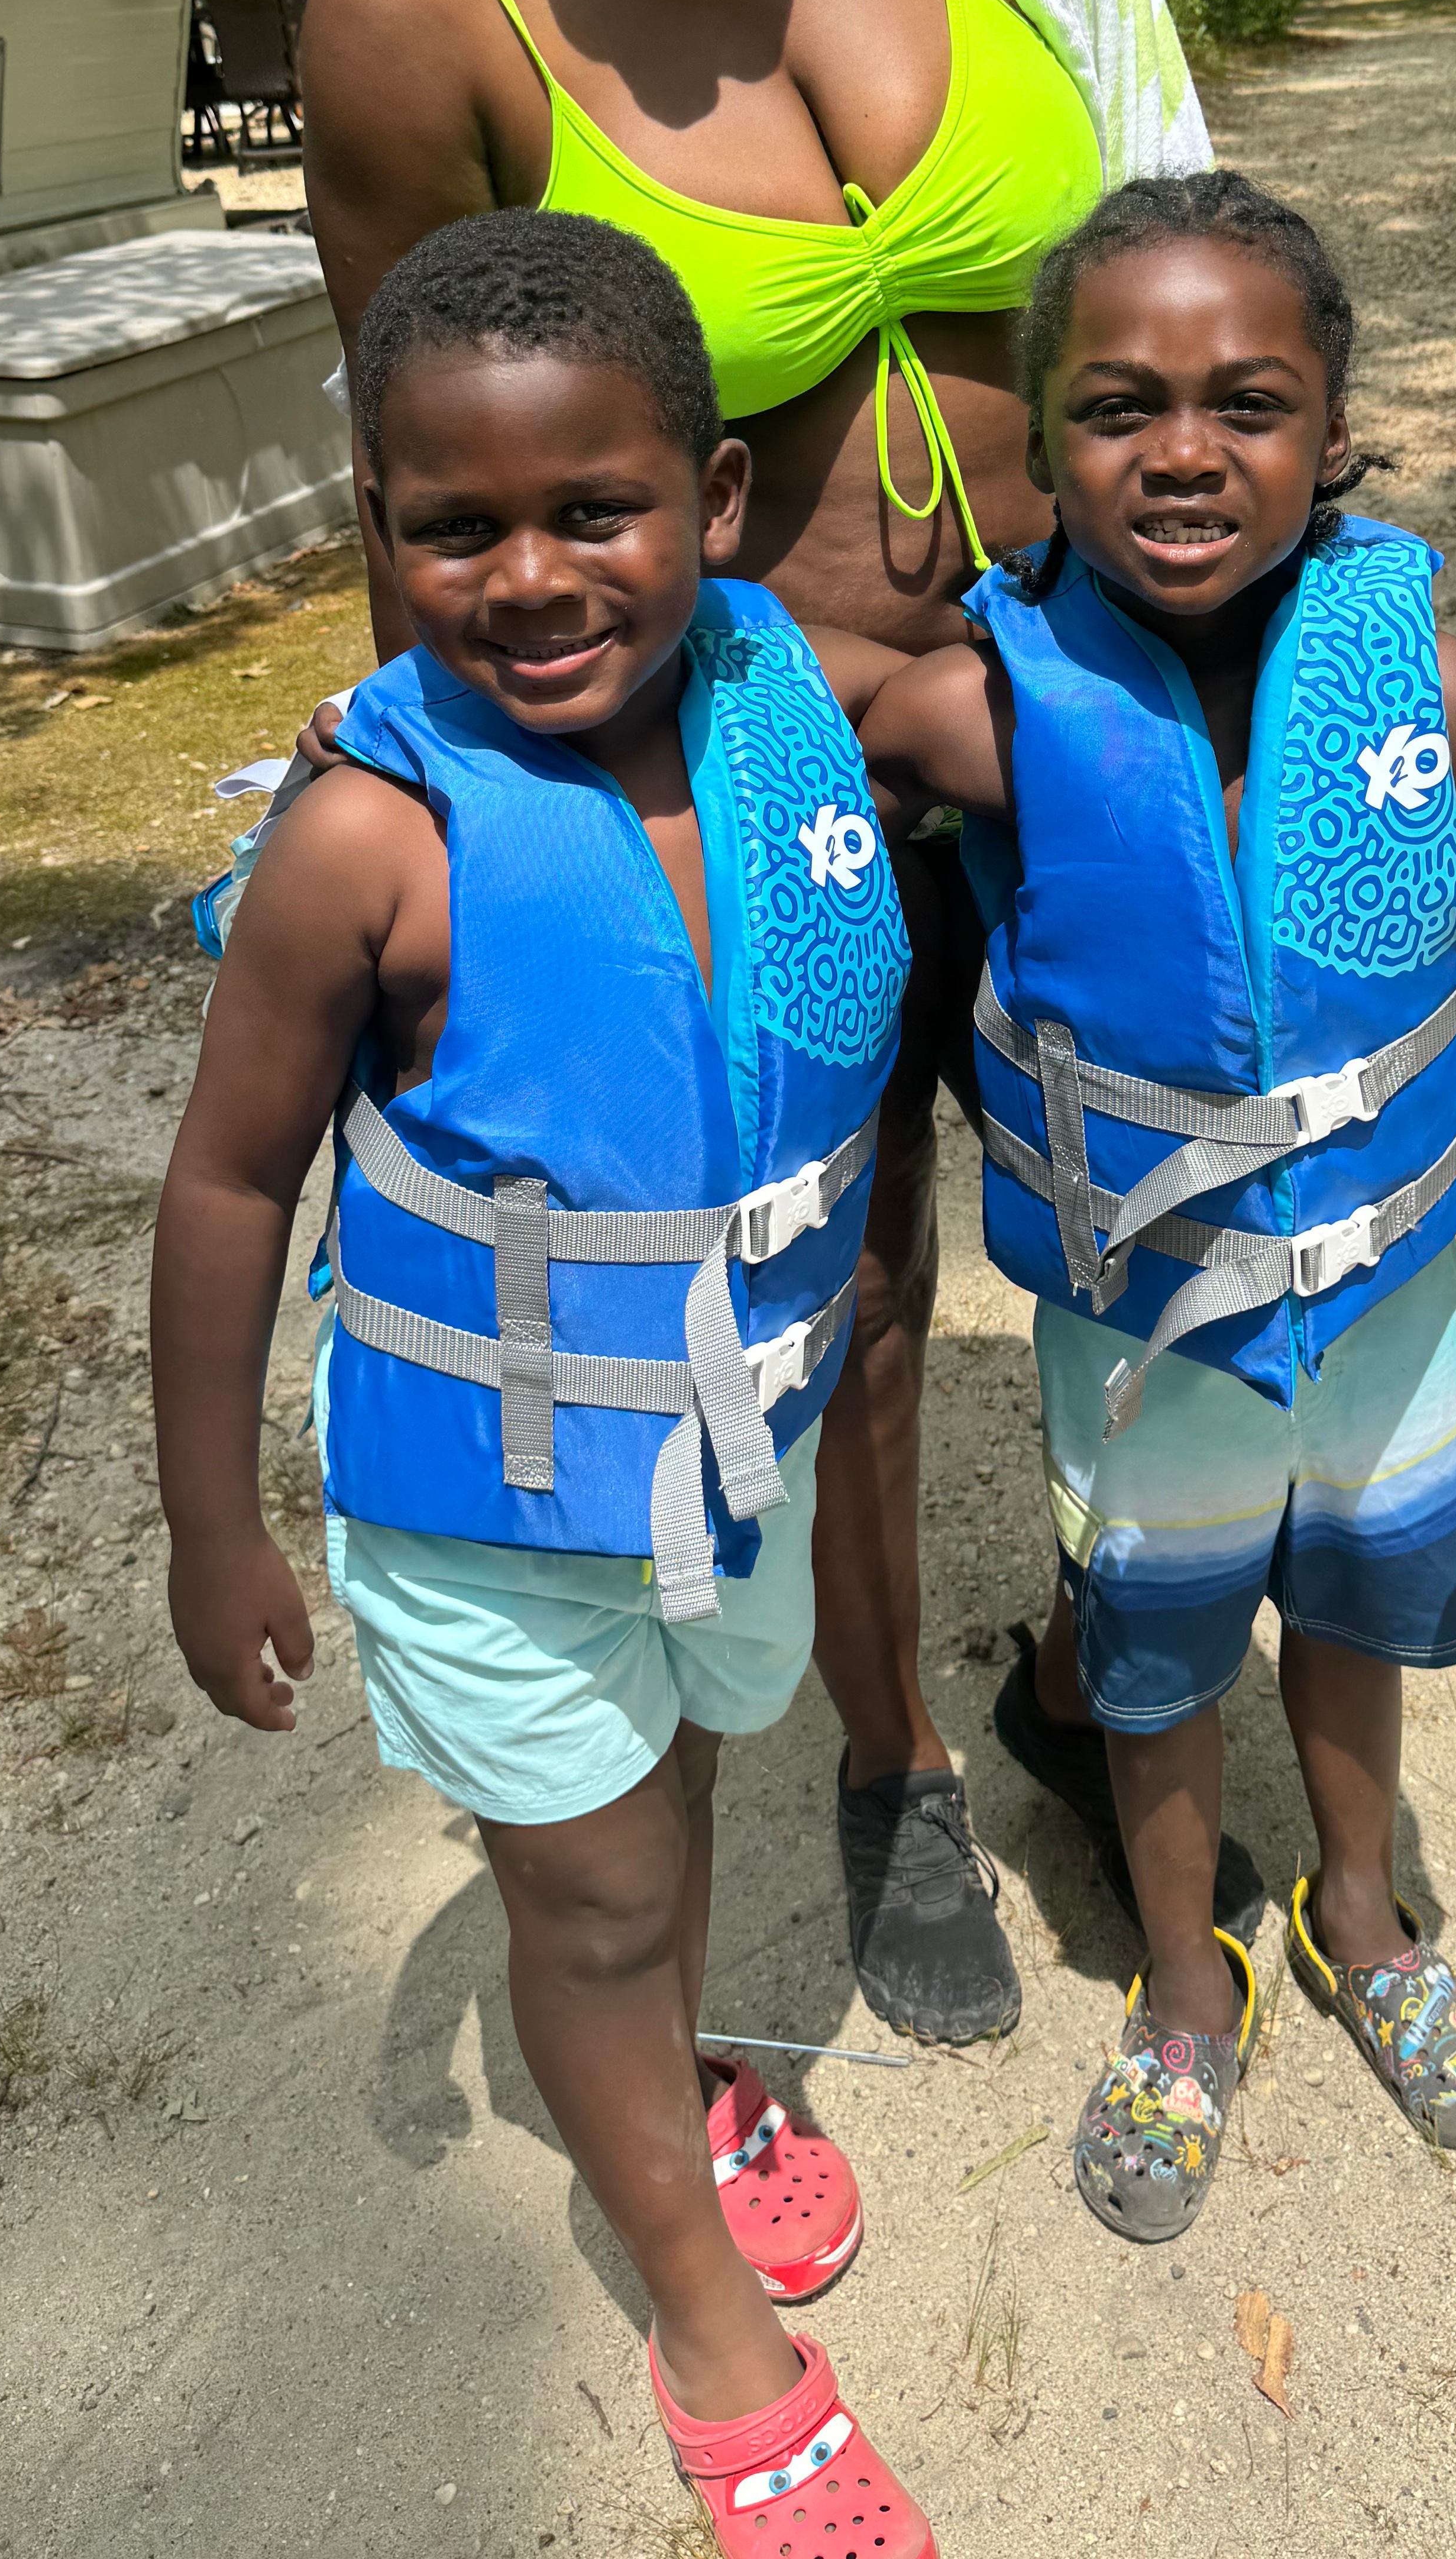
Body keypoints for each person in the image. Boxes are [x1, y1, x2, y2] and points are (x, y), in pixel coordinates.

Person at [297, 0, 1210, 2043]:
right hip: (757, 783)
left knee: (1181, 1224)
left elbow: (1184, 228)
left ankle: (1097, 1672)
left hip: (1094, 707)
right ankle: (883, 1760)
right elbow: (437, 518)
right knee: (846, 1288)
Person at [151, 210, 935, 2550]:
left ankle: (668, 2067)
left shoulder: (787, 707)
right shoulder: (367, 845)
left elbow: (1023, 715)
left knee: (671, 1797)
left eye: (594, 510)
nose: (531, 577)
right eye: (455, 526)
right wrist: (217, 1524)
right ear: (378, 532)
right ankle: (713, 2328)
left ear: (708, 499)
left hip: (730, 1456)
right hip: (493, 1513)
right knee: (585, 1897)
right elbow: (220, 1192)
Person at [860, 173, 1456, 2242]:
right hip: (1148, 1336)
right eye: (1115, 406)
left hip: (1381, 1312)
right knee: (1159, 1660)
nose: (1182, 450)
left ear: (1335, 433)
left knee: (1359, 1623)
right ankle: (1185, 1989)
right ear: (1041, 441)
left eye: (1246, 401)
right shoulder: (970, 715)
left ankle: (1357, 1919)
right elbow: (701, 757)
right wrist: (406, 737)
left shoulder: (1433, 703)